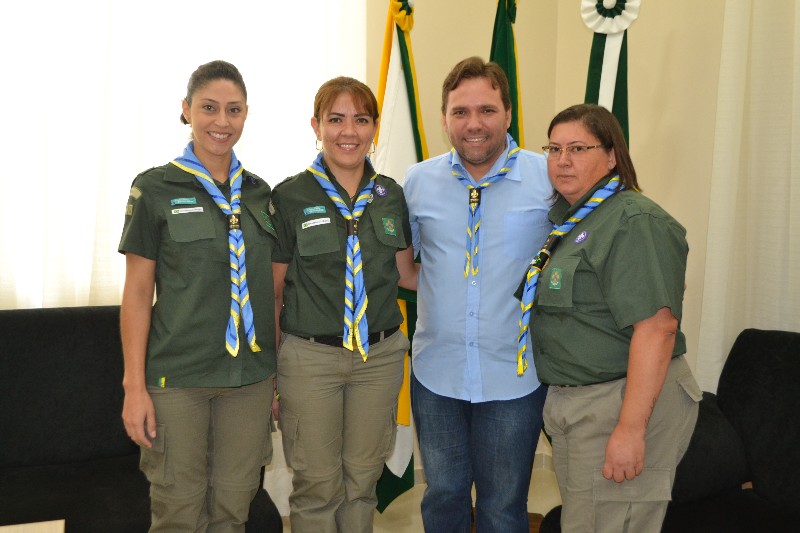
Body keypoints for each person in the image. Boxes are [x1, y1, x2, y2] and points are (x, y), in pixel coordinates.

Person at [523, 103, 702, 532]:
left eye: (578, 148)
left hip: (624, 400)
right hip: (582, 404)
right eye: (554, 148)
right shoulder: (574, 221)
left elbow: (657, 328)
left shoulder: (634, 221)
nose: (562, 160)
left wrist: (630, 428)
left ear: (612, 156)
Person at [119, 60, 277, 532]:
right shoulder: (154, 188)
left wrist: (275, 378)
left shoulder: (259, 194)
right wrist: (133, 387)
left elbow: (270, 290)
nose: (221, 122)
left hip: (248, 381)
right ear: (186, 111)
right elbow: (136, 293)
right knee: (178, 512)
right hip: (178, 380)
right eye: (209, 108)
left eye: (234, 110)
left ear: (247, 115)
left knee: (233, 509)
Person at [403, 56, 552, 533]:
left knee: (503, 506)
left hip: (515, 375)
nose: (473, 124)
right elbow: (409, 270)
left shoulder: (548, 178)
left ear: (508, 114)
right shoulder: (417, 182)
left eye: (486, 110)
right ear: (444, 118)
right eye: (460, 111)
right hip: (436, 373)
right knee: (443, 497)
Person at [270, 76, 418, 533]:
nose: (348, 130)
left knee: (362, 482)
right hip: (311, 357)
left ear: (374, 128)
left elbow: (408, 274)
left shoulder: (391, 195)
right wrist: (273, 372)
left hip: (379, 356)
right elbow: (273, 293)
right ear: (316, 125)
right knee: (316, 485)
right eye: (336, 119)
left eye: (361, 119)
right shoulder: (290, 196)